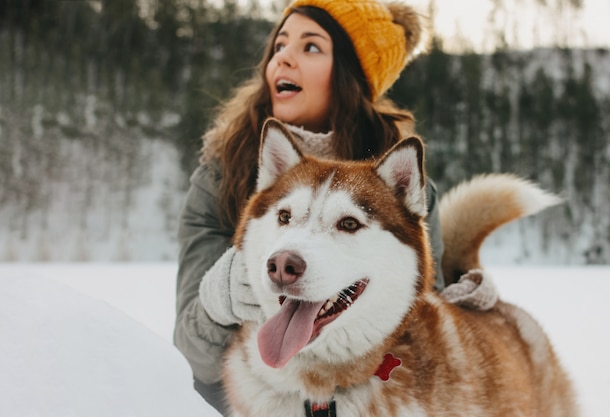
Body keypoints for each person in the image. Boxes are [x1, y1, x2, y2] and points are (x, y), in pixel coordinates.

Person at [173, 1, 495, 415]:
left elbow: (410, 322)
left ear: (350, 76)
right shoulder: (222, 177)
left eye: (311, 47)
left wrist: (462, 309)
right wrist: (218, 299)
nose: (283, 57)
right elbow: (189, 357)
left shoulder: (398, 186)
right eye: (279, 45)